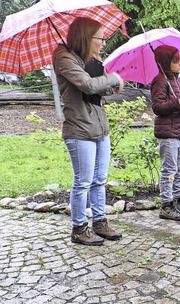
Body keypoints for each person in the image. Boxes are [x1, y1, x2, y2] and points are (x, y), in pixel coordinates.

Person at [52, 17, 124, 246]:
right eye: (100, 38)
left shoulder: (89, 59)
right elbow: (88, 86)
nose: (103, 43)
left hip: (99, 127)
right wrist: (112, 78)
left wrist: (108, 80)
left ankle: (100, 222)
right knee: (83, 180)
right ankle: (79, 228)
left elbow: (101, 94)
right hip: (79, 129)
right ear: (86, 37)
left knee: (99, 179)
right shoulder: (64, 58)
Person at [151, 45, 180, 221]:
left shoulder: (179, 80)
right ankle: (166, 204)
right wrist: (177, 103)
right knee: (169, 170)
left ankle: (178, 199)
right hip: (168, 134)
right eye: (176, 61)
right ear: (165, 63)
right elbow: (157, 107)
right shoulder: (159, 81)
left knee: (179, 169)